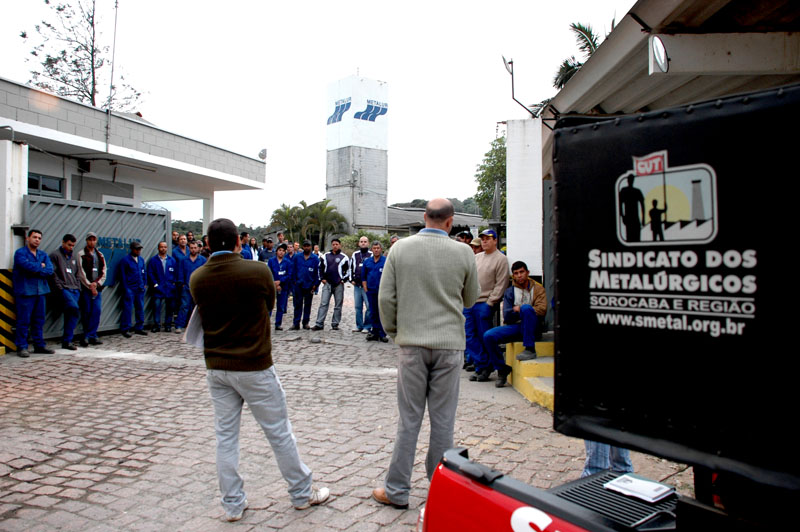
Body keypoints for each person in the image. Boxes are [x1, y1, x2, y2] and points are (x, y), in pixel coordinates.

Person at [190, 218, 329, 521]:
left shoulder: (198, 277)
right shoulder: (258, 271)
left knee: (225, 437)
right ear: (239, 243)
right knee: (279, 432)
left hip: (216, 366)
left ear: (208, 245)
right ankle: (302, 493)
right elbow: (270, 302)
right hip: (255, 365)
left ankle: (232, 505)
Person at [372, 198, 479, 509]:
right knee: (444, 421)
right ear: (450, 221)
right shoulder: (463, 252)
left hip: (412, 344)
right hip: (449, 346)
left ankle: (397, 490)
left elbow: (386, 298)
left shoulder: (400, 249)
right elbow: (471, 299)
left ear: (424, 217)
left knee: (409, 420)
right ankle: (441, 490)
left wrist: (396, 333)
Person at [483, 261, 547, 387]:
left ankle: (529, 348)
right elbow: (507, 315)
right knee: (488, 336)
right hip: (516, 327)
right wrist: (516, 311)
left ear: (527, 273)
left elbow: (542, 310)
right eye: (516, 273)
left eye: (522, 272)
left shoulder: (538, 288)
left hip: (533, 327)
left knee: (526, 309)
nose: (519, 276)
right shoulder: (510, 292)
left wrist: (521, 309)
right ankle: (502, 369)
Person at [466, 229, 510, 383]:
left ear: (495, 240)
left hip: (484, 302)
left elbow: (501, 283)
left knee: (486, 337)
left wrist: (491, 302)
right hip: (469, 302)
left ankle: (492, 367)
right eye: (482, 239)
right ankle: (483, 364)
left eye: (488, 239)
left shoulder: (501, 259)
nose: (484, 241)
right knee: (468, 336)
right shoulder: (476, 257)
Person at [12, 229, 55, 358]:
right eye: (35, 237)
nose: (37, 240)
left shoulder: (43, 255)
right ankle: (22, 346)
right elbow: (26, 267)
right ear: (27, 238)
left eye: (39, 238)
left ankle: (39, 345)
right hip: (25, 292)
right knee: (23, 320)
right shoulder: (20, 253)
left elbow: (49, 270)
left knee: (39, 320)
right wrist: (40, 267)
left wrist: (39, 267)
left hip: (40, 291)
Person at [49, 234, 82, 350]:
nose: (71, 247)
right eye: (69, 245)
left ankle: (67, 341)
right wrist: (60, 288)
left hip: (74, 290)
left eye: (73, 245)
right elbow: (52, 273)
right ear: (63, 242)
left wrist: (78, 287)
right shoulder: (55, 255)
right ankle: (67, 340)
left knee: (71, 314)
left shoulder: (73, 257)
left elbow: (77, 273)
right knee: (74, 309)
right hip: (64, 289)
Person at [312, 238, 349, 331]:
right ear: (331, 245)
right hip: (327, 283)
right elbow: (320, 268)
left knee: (338, 305)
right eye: (333, 244)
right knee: (324, 303)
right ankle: (319, 323)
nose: (335, 246)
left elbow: (348, 270)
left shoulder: (344, 257)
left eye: (337, 244)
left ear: (340, 245)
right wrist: (322, 279)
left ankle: (335, 324)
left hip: (338, 284)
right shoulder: (325, 256)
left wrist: (343, 280)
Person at [77, 232, 106, 347]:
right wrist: (90, 285)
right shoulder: (81, 254)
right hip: (86, 289)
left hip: (97, 289)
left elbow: (104, 271)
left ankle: (93, 335)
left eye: (94, 240)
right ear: (86, 241)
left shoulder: (100, 255)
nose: (92, 242)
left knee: (96, 311)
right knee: (86, 312)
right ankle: (86, 336)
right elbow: (81, 272)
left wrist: (97, 284)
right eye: (90, 240)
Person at [175, 241, 207, 333]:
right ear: (189, 249)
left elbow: (204, 273)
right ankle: (179, 325)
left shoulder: (202, 260)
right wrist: (182, 284)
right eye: (191, 248)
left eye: (195, 248)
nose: (193, 249)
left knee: (198, 308)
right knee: (184, 306)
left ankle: (199, 326)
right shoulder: (184, 260)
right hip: (186, 287)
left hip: (198, 288)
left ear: (198, 248)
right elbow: (180, 273)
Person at [146, 241, 178, 333]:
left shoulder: (172, 260)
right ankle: (156, 325)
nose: (163, 249)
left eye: (165, 247)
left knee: (170, 308)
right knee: (156, 307)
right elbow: (150, 273)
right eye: (161, 247)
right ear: (158, 248)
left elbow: (175, 273)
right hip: (158, 288)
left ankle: (168, 325)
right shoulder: (153, 260)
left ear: (167, 248)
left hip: (169, 288)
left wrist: (173, 284)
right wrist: (155, 284)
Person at [119, 241, 148, 338]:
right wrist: (126, 288)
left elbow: (144, 272)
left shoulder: (141, 260)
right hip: (130, 288)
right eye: (137, 249)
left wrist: (144, 283)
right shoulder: (125, 260)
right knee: (128, 308)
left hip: (139, 287)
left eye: (139, 249)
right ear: (132, 249)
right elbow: (122, 276)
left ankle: (139, 327)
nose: (138, 251)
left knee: (140, 308)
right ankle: (125, 328)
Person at [291, 240, 319, 330]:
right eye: (305, 246)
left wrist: (315, 285)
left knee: (308, 305)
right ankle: (296, 323)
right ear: (302, 247)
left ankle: (305, 322)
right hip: (299, 284)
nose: (307, 247)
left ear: (311, 247)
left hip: (309, 285)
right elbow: (293, 269)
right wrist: (294, 281)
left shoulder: (315, 258)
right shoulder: (297, 257)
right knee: (297, 305)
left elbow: (317, 273)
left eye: (308, 246)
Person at [363, 241, 387, 342]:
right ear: (371, 249)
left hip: (382, 291)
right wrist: (365, 289)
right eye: (374, 248)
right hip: (371, 291)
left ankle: (382, 333)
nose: (376, 250)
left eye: (378, 248)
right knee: (372, 312)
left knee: (381, 312)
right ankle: (374, 332)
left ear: (381, 249)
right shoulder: (367, 261)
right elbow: (363, 277)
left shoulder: (385, 261)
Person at [268, 243, 293, 330]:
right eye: (280, 250)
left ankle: (278, 324)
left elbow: (289, 275)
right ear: (276, 251)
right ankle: (266, 323)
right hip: (272, 285)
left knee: (281, 306)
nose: (281, 252)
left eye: (283, 251)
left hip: (283, 287)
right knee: (269, 305)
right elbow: (269, 272)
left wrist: (280, 282)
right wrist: (274, 282)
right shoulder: (271, 261)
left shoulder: (288, 262)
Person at [350, 236, 372, 333]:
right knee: (358, 307)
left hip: (367, 286)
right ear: (359, 243)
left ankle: (367, 326)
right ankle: (359, 325)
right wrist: (351, 279)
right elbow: (351, 267)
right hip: (357, 285)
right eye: (361, 241)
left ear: (368, 243)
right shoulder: (355, 254)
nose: (363, 243)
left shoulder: (371, 254)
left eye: (365, 241)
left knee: (369, 306)